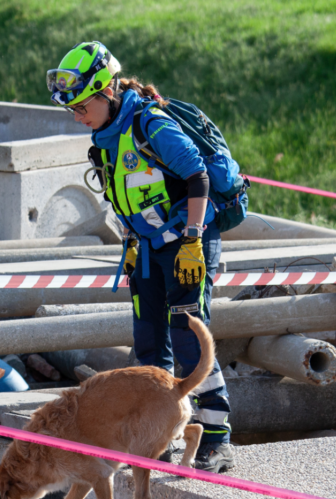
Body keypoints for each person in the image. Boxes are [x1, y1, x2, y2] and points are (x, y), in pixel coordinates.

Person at [47, 41, 235, 472]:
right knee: (149, 343)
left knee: (189, 337)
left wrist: (191, 240)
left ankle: (217, 438)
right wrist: (132, 243)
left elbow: (197, 177)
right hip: (148, 248)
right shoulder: (107, 137)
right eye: (72, 110)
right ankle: (161, 435)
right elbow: (128, 197)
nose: (78, 117)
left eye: (81, 107)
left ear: (106, 92)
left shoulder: (152, 125)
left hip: (187, 242)